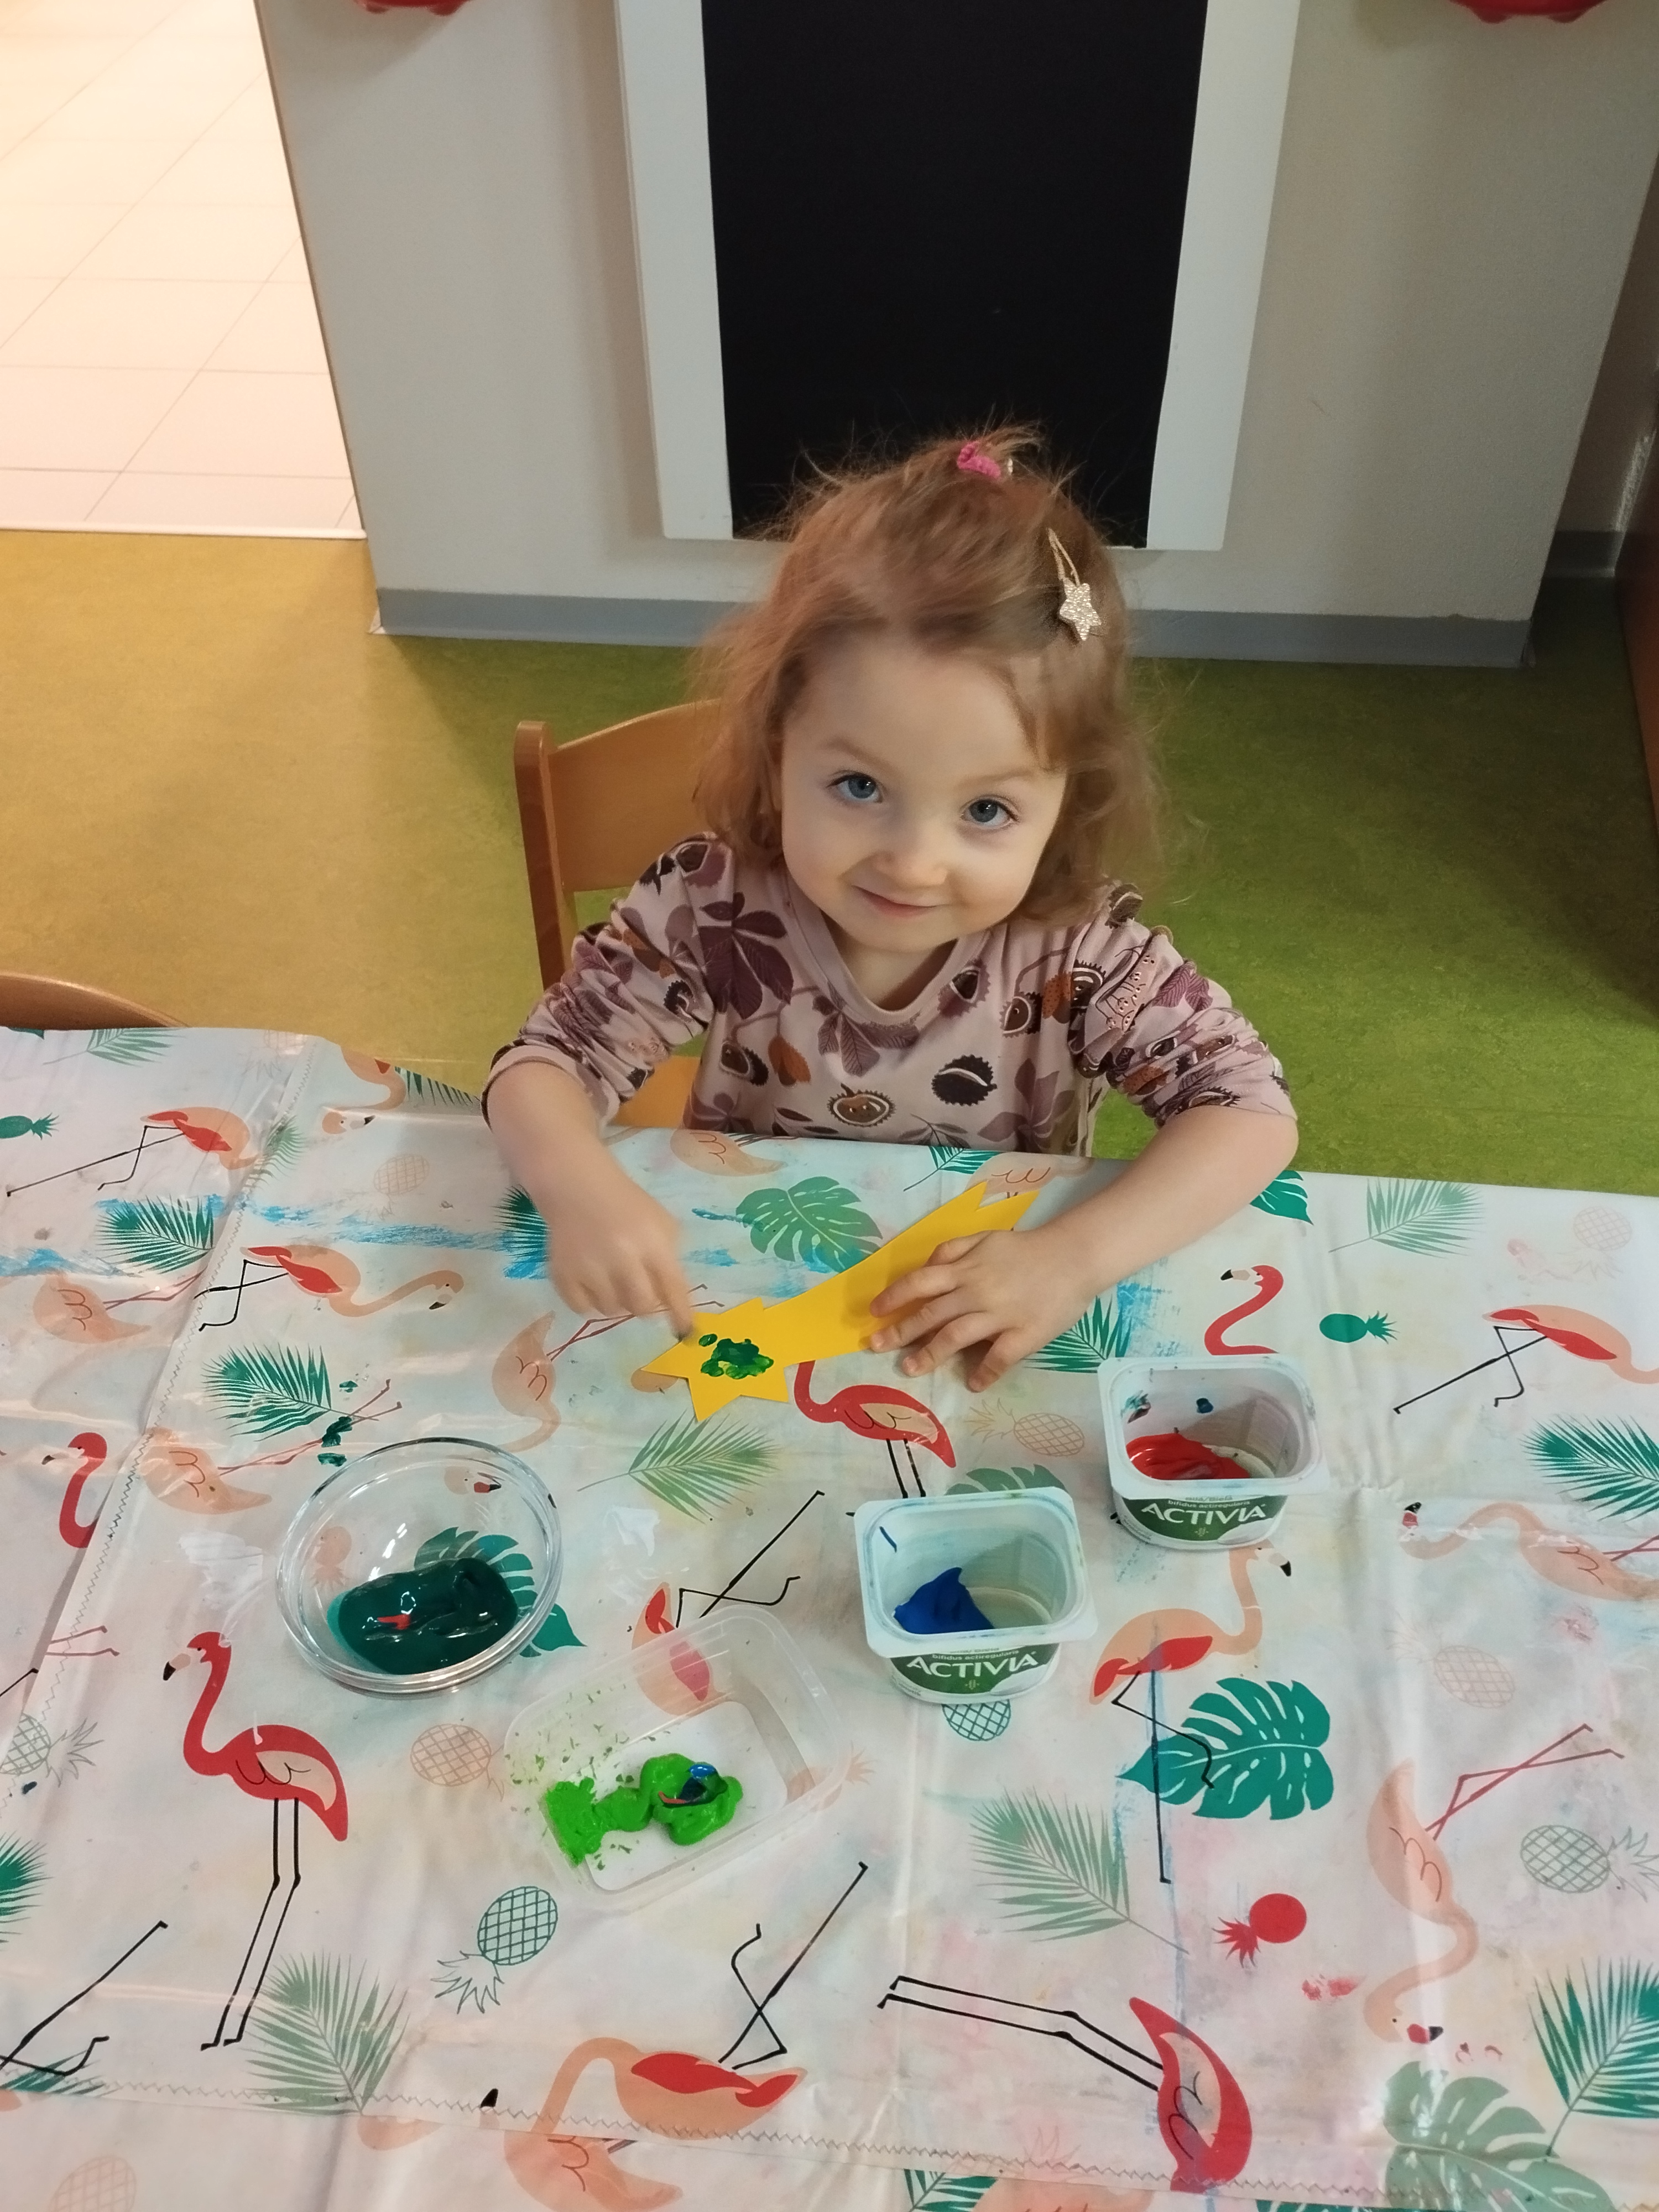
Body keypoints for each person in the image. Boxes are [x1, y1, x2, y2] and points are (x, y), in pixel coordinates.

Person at [486, 431, 1297, 1390]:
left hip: (971, 1323)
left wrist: (1074, 1260)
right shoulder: (713, 906)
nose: (914, 865)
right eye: (860, 786)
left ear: (1068, 802)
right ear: (776, 750)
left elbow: (1248, 1112)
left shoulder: (1084, 950)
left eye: (986, 810)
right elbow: (543, 1064)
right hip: (747, 1296)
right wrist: (575, 1184)